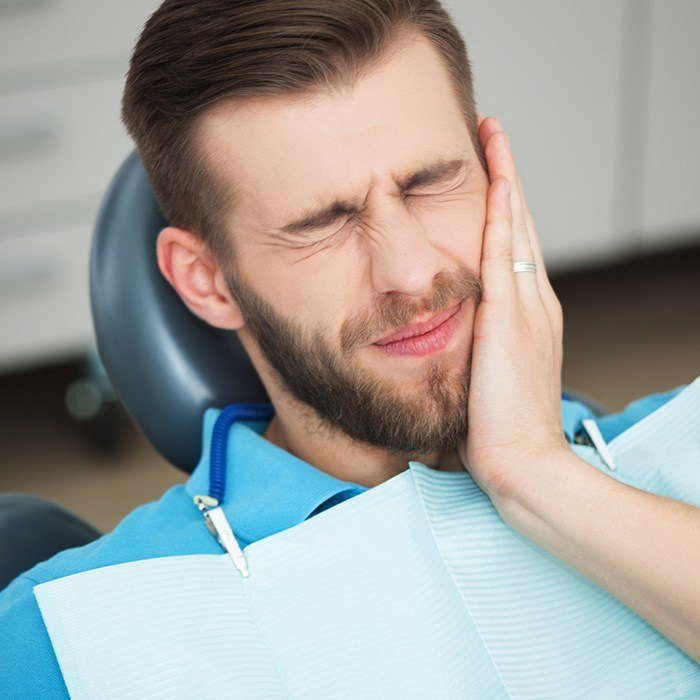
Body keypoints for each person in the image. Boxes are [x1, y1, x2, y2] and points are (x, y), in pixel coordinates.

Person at [1, 0, 698, 694]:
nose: (413, 271)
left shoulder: (679, 444)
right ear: (208, 281)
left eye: (430, 182)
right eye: (321, 224)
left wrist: (541, 476)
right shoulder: (70, 636)